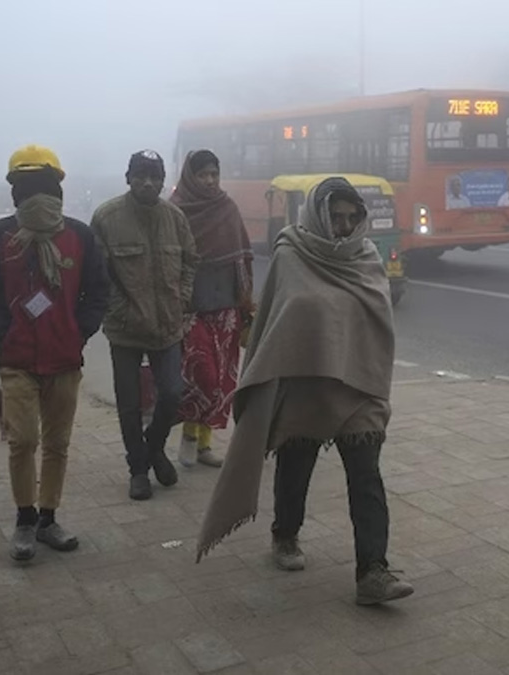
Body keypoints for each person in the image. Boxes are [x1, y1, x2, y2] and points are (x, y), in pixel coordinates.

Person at [196, 176, 414, 606]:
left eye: (353, 218)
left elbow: (378, 323)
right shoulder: (291, 252)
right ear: (317, 215)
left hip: (358, 386)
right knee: (296, 466)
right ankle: (285, 535)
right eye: (336, 218)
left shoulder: (366, 256)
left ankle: (373, 571)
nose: (345, 228)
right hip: (303, 382)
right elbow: (278, 320)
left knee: (366, 475)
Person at [0, 145, 109, 562]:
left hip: (65, 359)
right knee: (23, 440)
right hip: (16, 360)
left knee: (58, 443)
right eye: (26, 188)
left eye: (42, 186)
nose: (35, 196)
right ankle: (24, 519)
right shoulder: (1, 236)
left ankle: (48, 518)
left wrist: (79, 331)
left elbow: (98, 290)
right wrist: (1, 334)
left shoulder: (79, 236)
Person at [91, 150, 199, 501]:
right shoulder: (107, 217)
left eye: (155, 176)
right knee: (129, 404)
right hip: (125, 328)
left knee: (171, 393)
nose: (148, 182)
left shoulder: (175, 217)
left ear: (163, 179)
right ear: (128, 178)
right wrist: (120, 309)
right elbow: (97, 275)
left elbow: (189, 262)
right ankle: (138, 469)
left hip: (167, 325)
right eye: (140, 175)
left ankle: (153, 448)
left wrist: (180, 300)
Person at [170, 150, 254, 469]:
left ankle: (203, 444)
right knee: (199, 375)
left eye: (213, 174)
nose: (209, 181)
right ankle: (188, 438)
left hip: (226, 307)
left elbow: (241, 256)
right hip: (190, 309)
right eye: (203, 175)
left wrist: (245, 301)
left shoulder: (227, 207)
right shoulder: (177, 211)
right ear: (191, 177)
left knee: (219, 380)